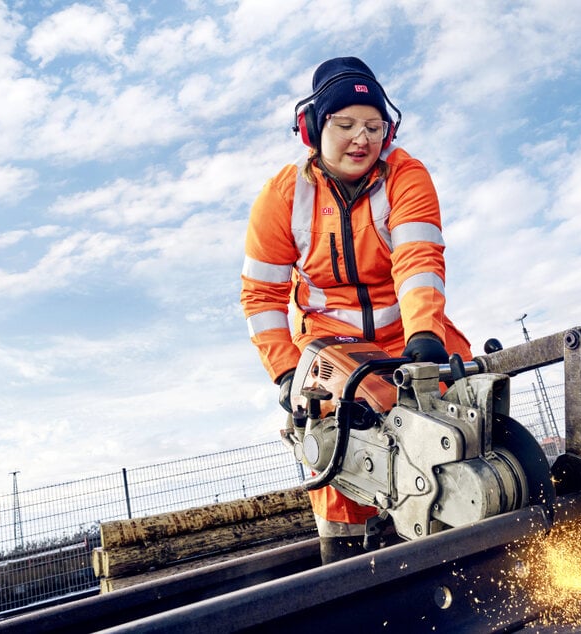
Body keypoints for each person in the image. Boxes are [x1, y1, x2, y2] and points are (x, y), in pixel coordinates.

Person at [240, 56, 472, 564]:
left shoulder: (406, 176)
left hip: (409, 334)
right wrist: (284, 372)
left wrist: (425, 341)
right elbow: (261, 296)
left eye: (372, 126)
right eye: (345, 125)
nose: (360, 139)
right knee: (335, 439)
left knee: (461, 409)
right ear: (313, 129)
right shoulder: (284, 195)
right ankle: (347, 565)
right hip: (328, 347)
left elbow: (418, 260)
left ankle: (470, 530)